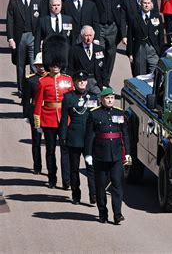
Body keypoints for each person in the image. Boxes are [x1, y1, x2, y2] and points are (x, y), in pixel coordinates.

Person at [33, 35, 74, 189]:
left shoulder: (68, 80)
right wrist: (38, 121)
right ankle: (52, 178)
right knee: (50, 151)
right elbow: (37, 103)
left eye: (58, 64)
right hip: (48, 118)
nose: (55, 66)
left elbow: (72, 102)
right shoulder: (43, 82)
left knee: (65, 151)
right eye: (53, 64)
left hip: (65, 119)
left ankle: (67, 180)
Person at [85, 87, 131, 225]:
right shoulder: (94, 115)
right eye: (107, 98)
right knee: (101, 186)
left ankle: (117, 214)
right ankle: (102, 212)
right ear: (101, 100)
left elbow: (125, 135)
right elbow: (89, 136)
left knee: (117, 184)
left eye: (111, 98)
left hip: (116, 155)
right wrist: (88, 154)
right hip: (100, 155)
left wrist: (127, 153)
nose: (110, 100)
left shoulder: (120, 113)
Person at [59, 71, 98, 205]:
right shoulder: (68, 98)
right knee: (74, 169)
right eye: (79, 80)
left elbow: (97, 119)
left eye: (84, 80)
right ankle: (76, 194)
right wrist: (63, 136)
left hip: (89, 138)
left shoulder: (93, 98)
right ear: (74, 83)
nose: (82, 82)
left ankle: (93, 194)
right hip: (74, 138)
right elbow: (64, 119)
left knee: (91, 168)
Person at [87, 0, 127, 85]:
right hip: (99, 27)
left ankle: (106, 81)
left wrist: (123, 33)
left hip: (113, 28)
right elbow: (90, 9)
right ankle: (98, 79)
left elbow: (122, 12)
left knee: (110, 55)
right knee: (99, 54)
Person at [6, 0, 44, 96]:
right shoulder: (14, 1)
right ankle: (22, 90)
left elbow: (41, 20)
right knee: (20, 65)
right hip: (20, 37)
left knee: (34, 64)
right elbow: (10, 21)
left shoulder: (37, 0)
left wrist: (41, 38)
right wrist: (10, 38)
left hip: (33, 36)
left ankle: (34, 89)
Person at [22, 52, 48, 174]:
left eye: (43, 65)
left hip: (48, 112)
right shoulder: (30, 80)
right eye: (39, 65)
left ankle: (50, 167)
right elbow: (26, 99)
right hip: (35, 112)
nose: (41, 68)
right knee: (36, 141)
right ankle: (37, 165)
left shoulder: (51, 78)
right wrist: (26, 115)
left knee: (49, 142)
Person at [127, 0, 164, 76]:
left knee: (155, 75)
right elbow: (130, 36)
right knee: (140, 75)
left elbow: (161, 37)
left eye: (148, 3)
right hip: (139, 49)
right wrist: (130, 53)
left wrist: (161, 52)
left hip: (153, 50)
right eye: (144, 3)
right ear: (140, 4)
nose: (146, 5)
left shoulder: (157, 17)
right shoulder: (134, 18)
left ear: (151, 4)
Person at [69, 26, 107, 95]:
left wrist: (105, 84)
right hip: (81, 82)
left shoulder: (99, 49)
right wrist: (72, 84)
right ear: (82, 36)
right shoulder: (74, 50)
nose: (89, 38)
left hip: (96, 82)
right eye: (86, 36)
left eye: (90, 35)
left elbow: (103, 69)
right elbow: (70, 69)